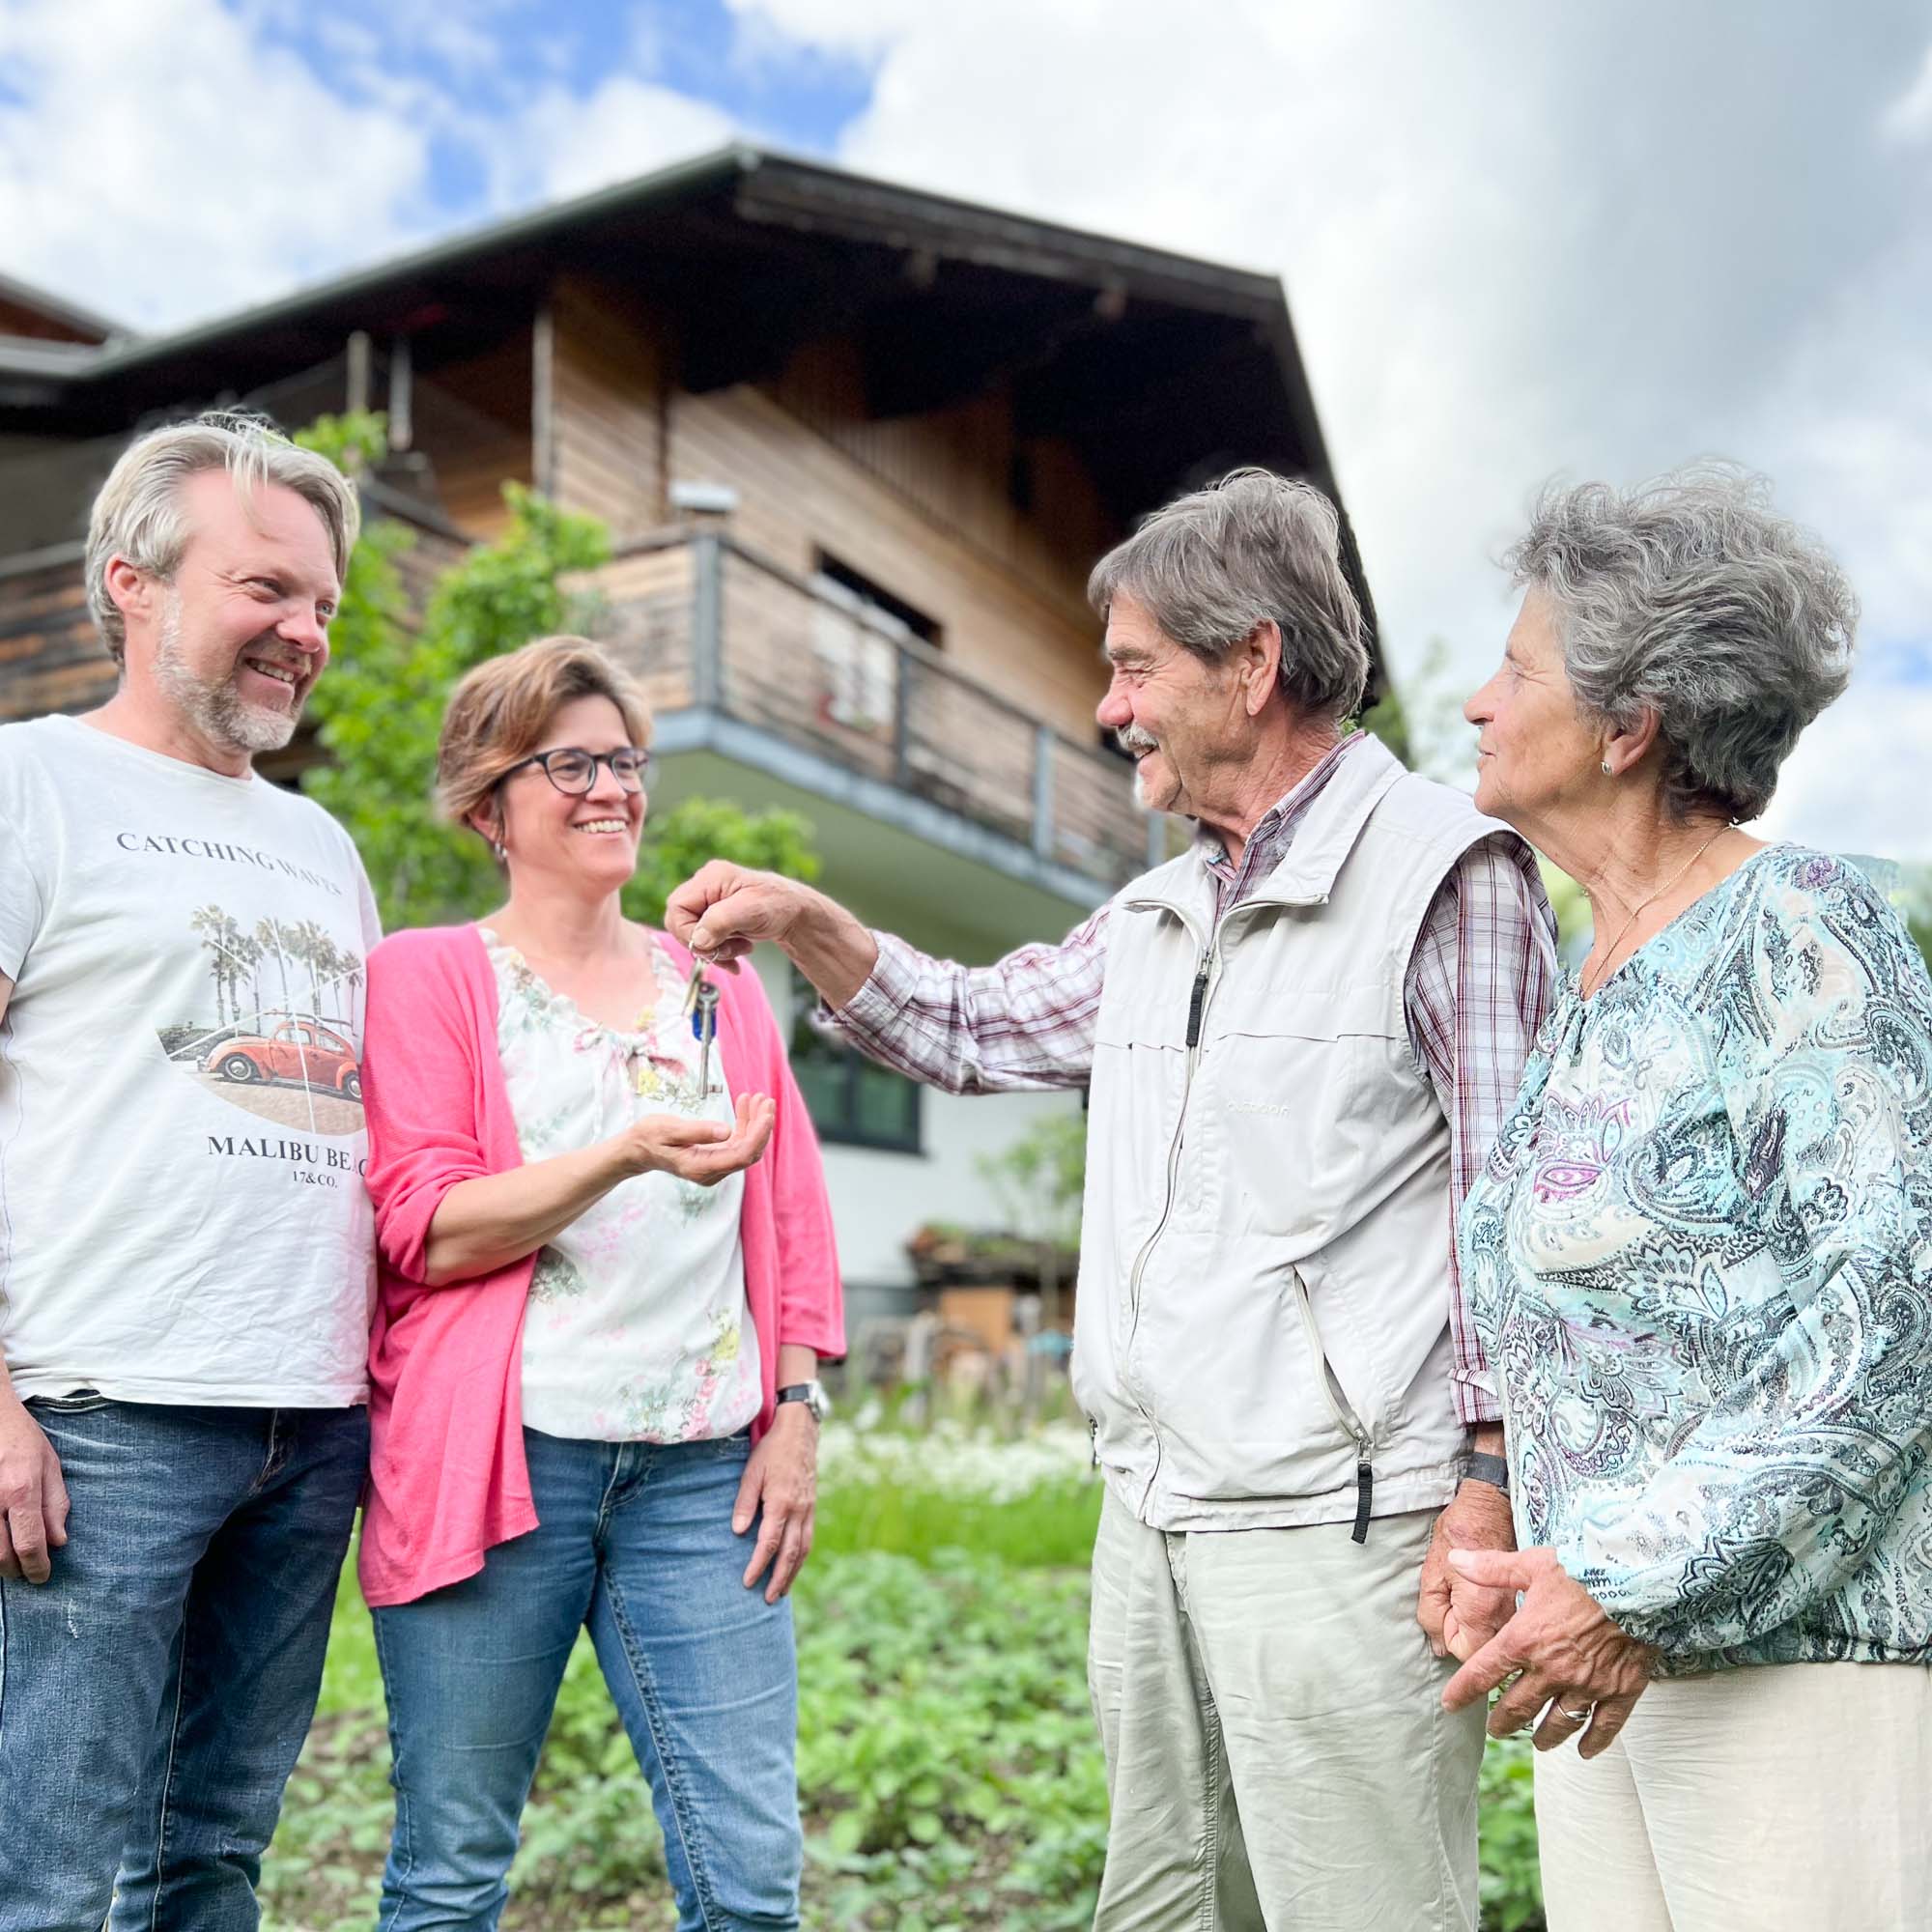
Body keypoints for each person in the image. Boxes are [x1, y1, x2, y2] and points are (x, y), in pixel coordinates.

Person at [668, 469, 1558, 1930]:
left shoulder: (1445, 878)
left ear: (1254, 665)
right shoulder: (1160, 911)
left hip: (1341, 1530)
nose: (1109, 708)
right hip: (1150, 1512)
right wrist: (813, 922)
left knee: (1362, 1908)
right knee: (1163, 1905)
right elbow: (965, 1025)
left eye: (1137, 667)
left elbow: (1514, 1219)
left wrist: (1488, 1487)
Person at [1443, 466, 1932, 1931]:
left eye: (1513, 668)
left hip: (1792, 1666)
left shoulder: (1805, 928)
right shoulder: (1592, 974)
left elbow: (1891, 1312)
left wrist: (1630, 1584)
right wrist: (1503, 1521)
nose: (1476, 701)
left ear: (1628, 724)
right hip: (1601, 1652)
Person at [356, 635, 843, 1931]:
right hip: (504, 1465)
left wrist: (797, 1410)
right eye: (566, 761)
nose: (610, 787)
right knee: (452, 1874)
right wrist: (623, 1153)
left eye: (624, 760)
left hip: (701, 1477)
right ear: (486, 807)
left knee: (751, 1886)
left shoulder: (717, 987)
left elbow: (788, 1212)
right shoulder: (429, 976)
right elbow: (428, 1229)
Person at [0, 412, 377, 1930]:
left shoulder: (322, 845)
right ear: (133, 582)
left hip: (307, 1419)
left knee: (214, 1857)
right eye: (268, 590)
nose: (306, 632)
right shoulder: (30, 787)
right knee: (56, 1883)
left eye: (326, 607)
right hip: (102, 1421)